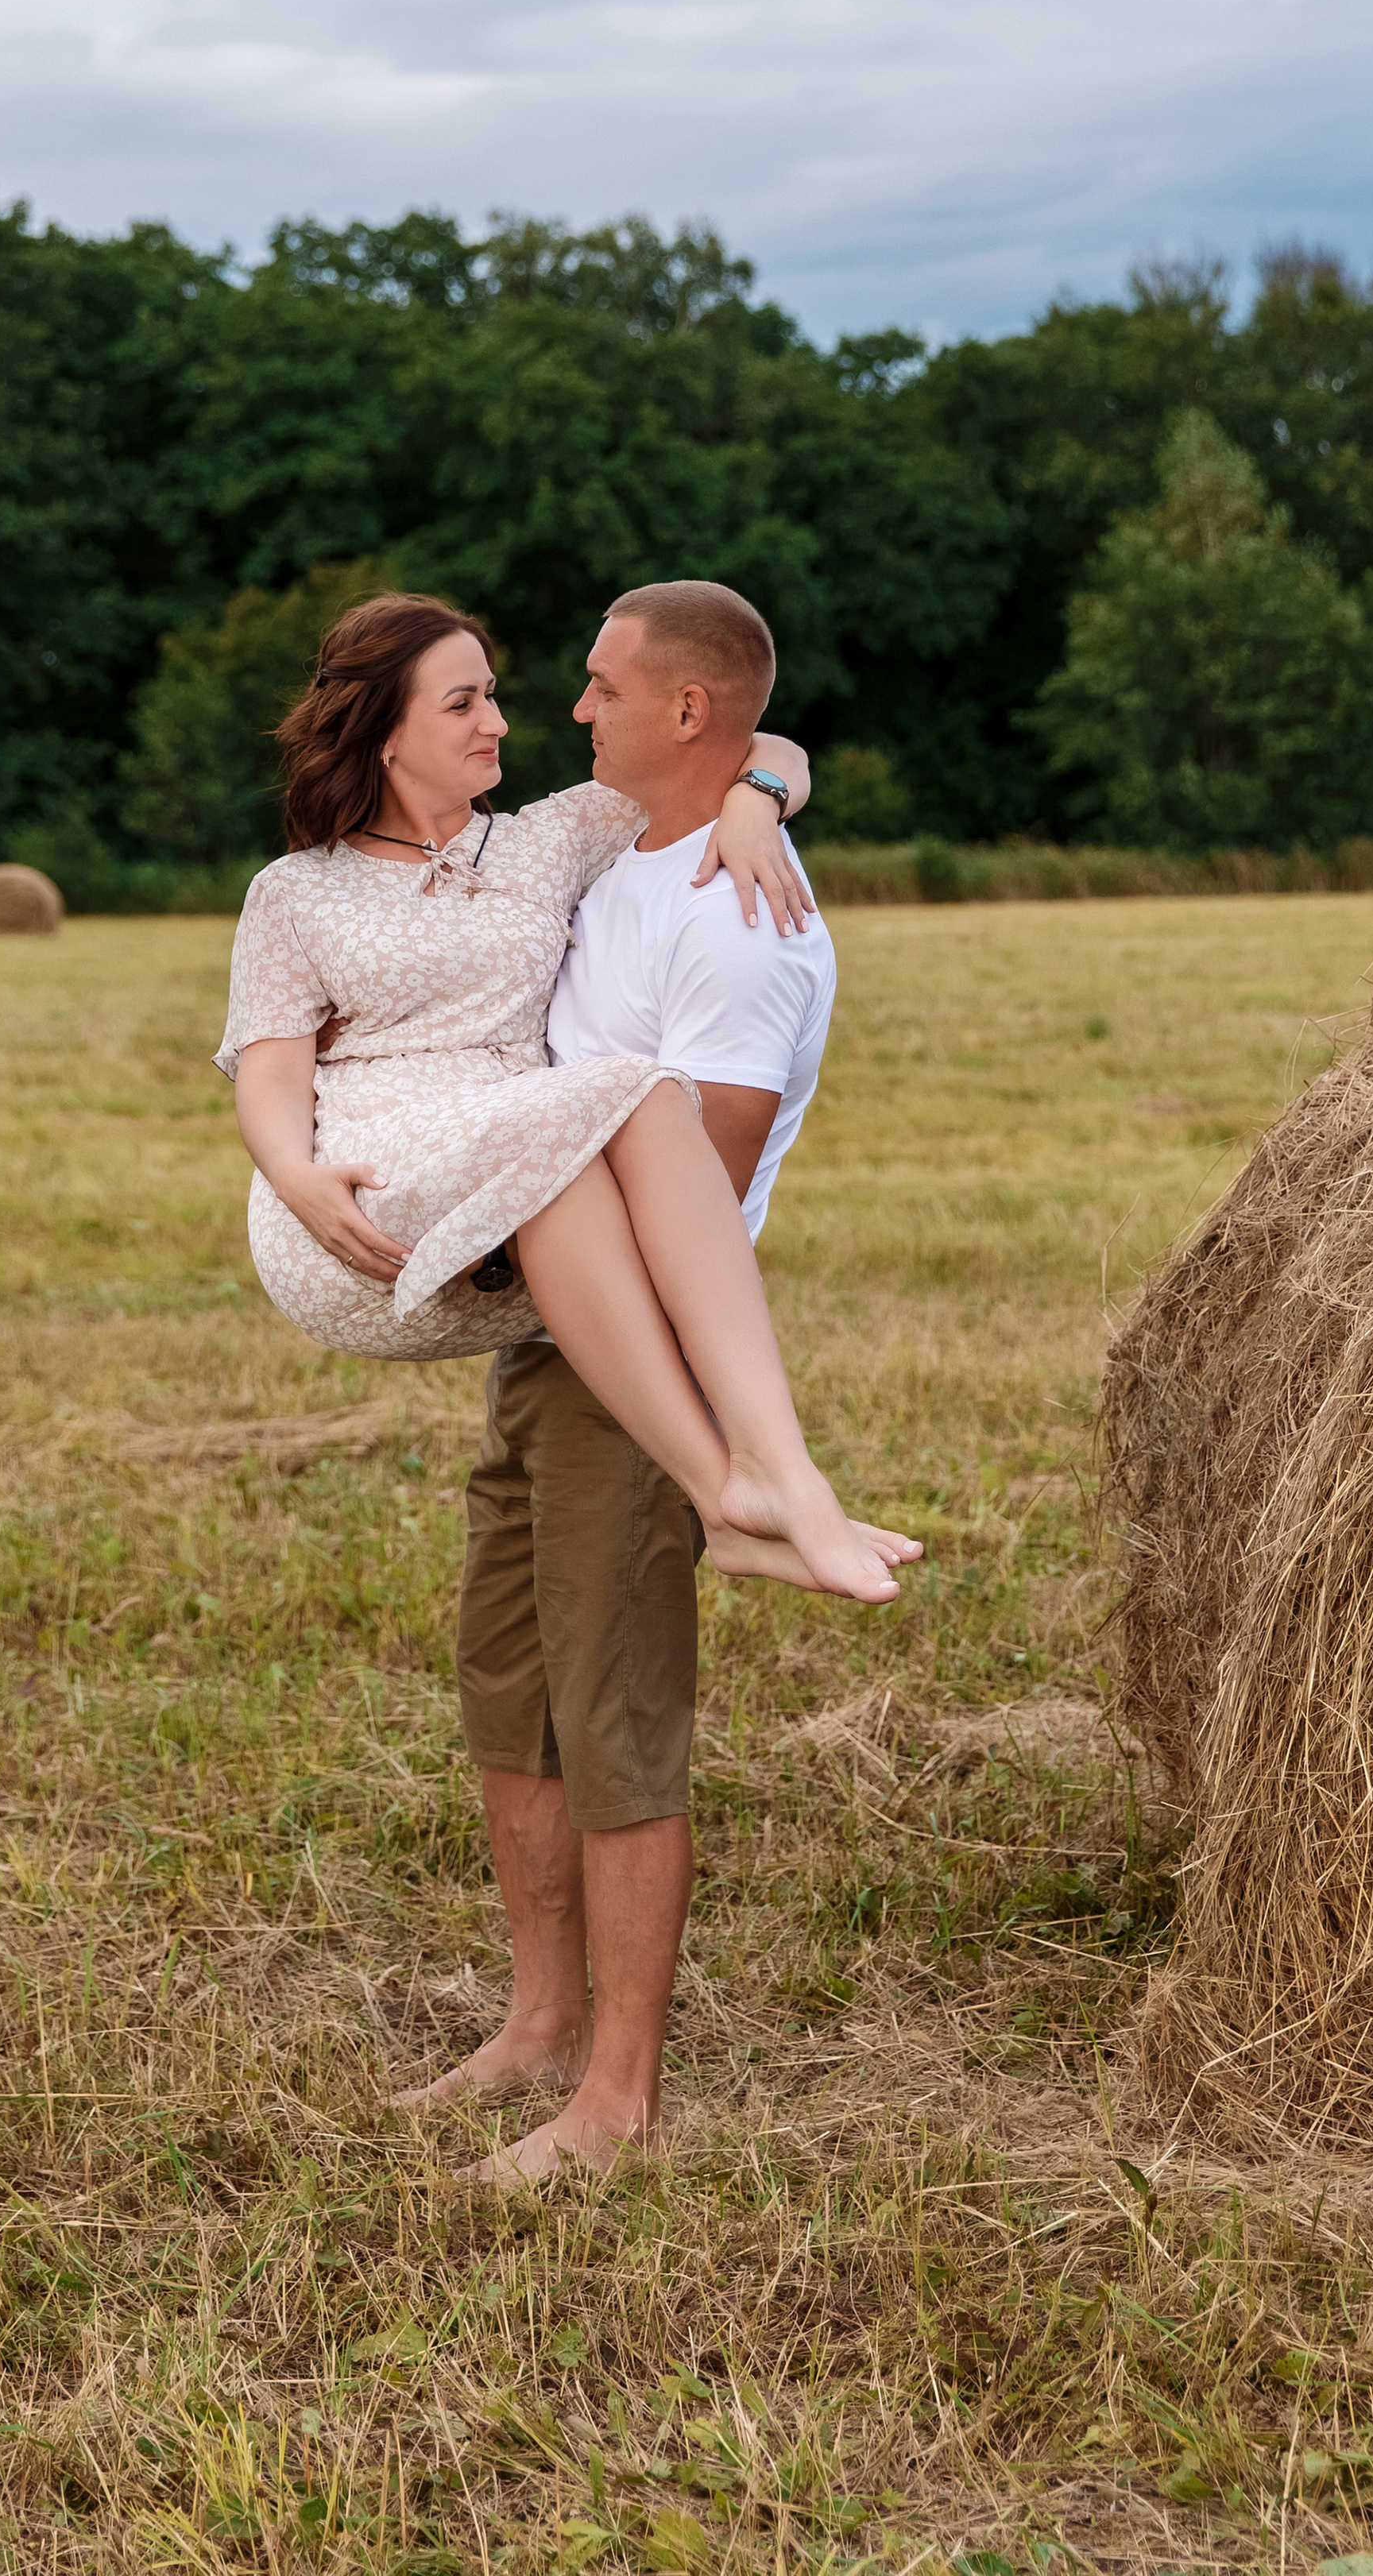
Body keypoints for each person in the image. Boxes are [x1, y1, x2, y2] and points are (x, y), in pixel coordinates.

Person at [215, 589, 918, 1612]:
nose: (501, 721)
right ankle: (776, 1476)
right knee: (632, 1096)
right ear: (385, 730)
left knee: (583, 1149)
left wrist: (756, 797)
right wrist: (294, 1176)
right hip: (354, 1192)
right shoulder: (293, 891)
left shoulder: (548, 839)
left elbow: (740, 732)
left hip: (509, 1162)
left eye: (493, 696)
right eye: (463, 704)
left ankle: (736, 1502)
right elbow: (274, 1067)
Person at [404, 578, 850, 2182]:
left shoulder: (742, 922)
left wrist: (756, 803)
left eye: (599, 688)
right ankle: (535, 2025)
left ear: (677, 711)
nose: (568, 713)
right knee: (508, 1686)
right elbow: (769, 729)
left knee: (614, 1713)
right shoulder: (638, 846)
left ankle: (617, 2097)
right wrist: (759, 781)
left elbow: (697, 1186)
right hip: (542, 1339)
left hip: (634, 1350)